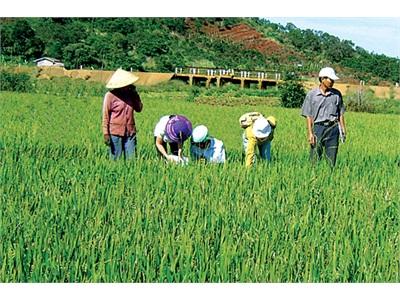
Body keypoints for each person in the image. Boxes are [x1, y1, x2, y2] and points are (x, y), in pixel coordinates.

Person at [301, 67, 346, 167]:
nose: (332, 82)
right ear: (322, 79)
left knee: (331, 160)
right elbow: (308, 116)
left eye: (333, 80)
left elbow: (341, 113)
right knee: (315, 158)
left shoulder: (337, 95)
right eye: (330, 79)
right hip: (318, 128)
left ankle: (330, 176)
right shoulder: (312, 95)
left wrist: (342, 129)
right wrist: (310, 133)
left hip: (333, 128)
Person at [102, 68, 143, 160]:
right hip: (115, 132)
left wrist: (135, 94)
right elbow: (105, 116)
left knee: (132, 159)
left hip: (130, 132)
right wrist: (106, 133)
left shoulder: (131, 94)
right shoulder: (110, 96)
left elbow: (139, 109)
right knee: (116, 159)